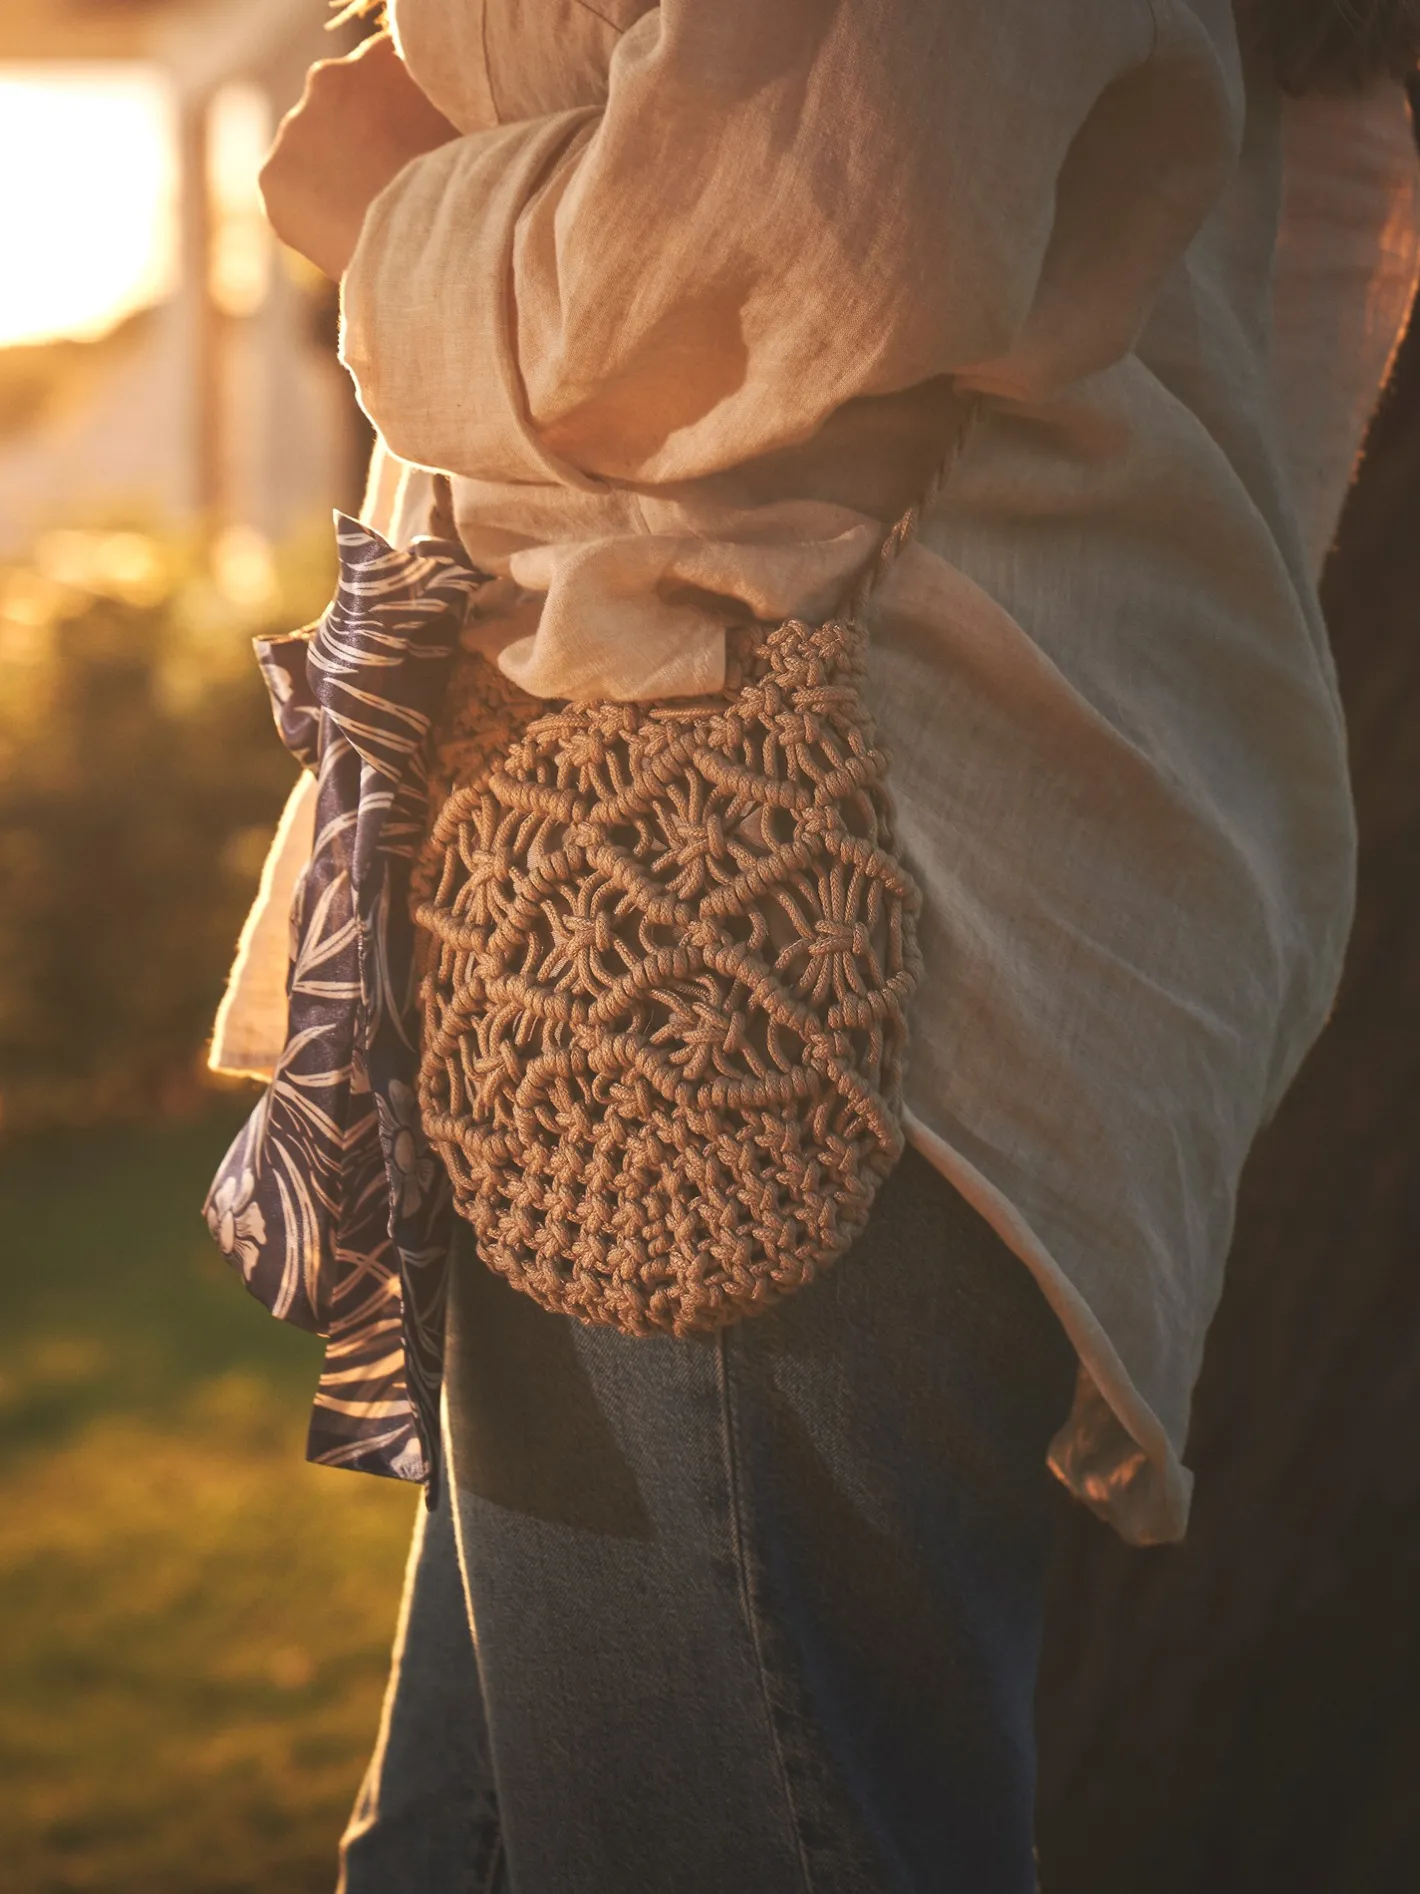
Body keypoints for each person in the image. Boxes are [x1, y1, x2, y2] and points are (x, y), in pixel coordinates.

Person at [217, 3, 1420, 1887]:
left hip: (759, 934)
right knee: (467, 1848)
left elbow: (828, 220)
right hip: (632, 896)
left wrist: (398, 220)